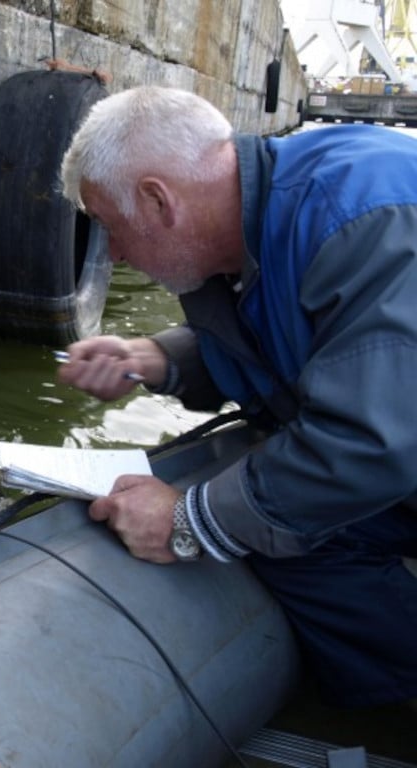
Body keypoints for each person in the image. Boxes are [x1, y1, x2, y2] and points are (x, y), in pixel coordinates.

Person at [54, 85, 417, 709]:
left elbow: (371, 439)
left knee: (272, 520)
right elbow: (302, 347)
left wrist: (189, 520)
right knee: (280, 529)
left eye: (111, 226)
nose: (113, 252)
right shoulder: (267, 218)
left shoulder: (365, 220)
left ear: (158, 200)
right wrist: (159, 359)